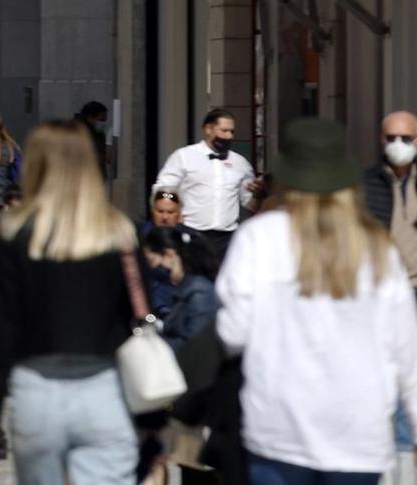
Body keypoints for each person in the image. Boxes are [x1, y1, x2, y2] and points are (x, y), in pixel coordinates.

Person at [217, 116, 417, 482]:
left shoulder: (259, 238)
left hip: (279, 425)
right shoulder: (376, 248)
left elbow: (233, 333)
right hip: (359, 428)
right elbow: (406, 352)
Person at [0, 121, 139, 484]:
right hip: (103, 389)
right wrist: (154, 421)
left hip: (37, 391)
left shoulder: (15, 234)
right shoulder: (118, 233)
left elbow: (3, 330)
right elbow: (134, 326)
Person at [154, 107, 257, 261]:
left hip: (227, 238)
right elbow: (163, 189)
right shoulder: (184, 156)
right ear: (208, 129)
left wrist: (260, 195)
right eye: (224, 131)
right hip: (191, 233)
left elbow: (248, 201)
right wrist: (172, 205)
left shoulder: (240, 163)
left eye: (232, 132)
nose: (229, 136)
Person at [139, 225, 216, 352]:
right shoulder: (185, 290)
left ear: (169, 255)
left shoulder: (200, 292)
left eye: (152, 261)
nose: (152, 269)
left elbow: (195, 345)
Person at [363, 109, 417, 286]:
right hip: (385, 286)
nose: (398, 144)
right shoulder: (367, 183)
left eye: (407, 139)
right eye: (391, 138)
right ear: (382, 139)